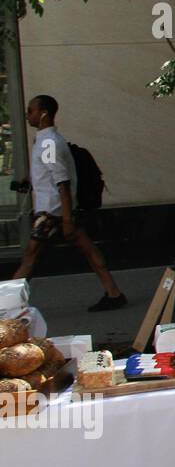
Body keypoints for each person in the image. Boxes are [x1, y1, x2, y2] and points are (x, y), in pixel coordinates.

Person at [12, 95, 127, 312]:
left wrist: (66, 219)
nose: (28, 115)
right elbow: (48, 170)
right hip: (60, 210)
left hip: (52, 212)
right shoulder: (47, 140)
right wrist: (29, 180)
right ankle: (114, 293)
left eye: (31, 111)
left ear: (44, 113)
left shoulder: (48, 142)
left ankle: (6, 306)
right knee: (88, 249)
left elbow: (61, 181)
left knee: (30, 255)